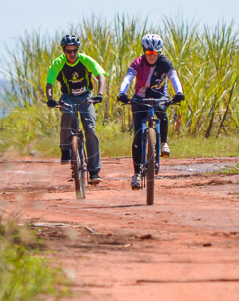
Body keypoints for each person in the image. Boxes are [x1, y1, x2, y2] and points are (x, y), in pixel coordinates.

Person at [116, 33, 185, 190]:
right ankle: (137, 173)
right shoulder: (138, 63)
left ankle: (164, 142)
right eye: (148, 53)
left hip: (159, 95)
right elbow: (128, 77)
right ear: (143, 51)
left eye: (154, 53)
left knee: (162, 111)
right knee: (138, 135)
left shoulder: (164, 62)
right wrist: (122, 93)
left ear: (159, 52)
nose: (152, 56)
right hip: (140, 98)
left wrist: (179, 92)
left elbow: (173, 77)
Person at [45, 34, 106, 184]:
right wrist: (50, 99)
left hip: (86, 97)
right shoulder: (58, 63)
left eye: (74, 51)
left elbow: (101, 76)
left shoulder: (86, 60)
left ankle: (94, 172)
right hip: (68, 97)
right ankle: (65, 149)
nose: (72, 54)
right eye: (68, 51)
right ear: (63, 51)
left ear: (78, 50)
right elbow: (49, 83)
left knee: (90, 129)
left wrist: (100, 94)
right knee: (67, 115)